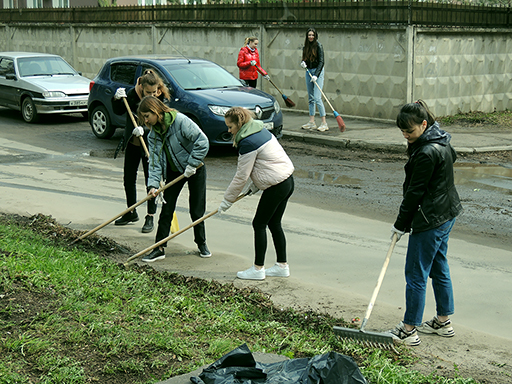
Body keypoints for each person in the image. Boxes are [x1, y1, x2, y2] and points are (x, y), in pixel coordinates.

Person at [388, 100, 463, 346]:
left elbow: (415, 193)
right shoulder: (441, 139)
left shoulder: (426, 152)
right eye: (402, 132)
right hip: (446, 214)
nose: (406, 136)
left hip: (430, 219)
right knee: (439, 265)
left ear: (423, 124)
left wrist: (401, 224)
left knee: (416, 273)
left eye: (409, 131)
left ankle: (409, 329)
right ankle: (443, 321)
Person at [218, 107, 294, 280]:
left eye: (230, 127)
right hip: (287, 181)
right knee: (274, 223)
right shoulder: (259, 130)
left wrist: (227, 200)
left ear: (239, 123)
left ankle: (258, 269)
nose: (229, 130)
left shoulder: (247, 142)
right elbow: (267, 163)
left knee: (259, 224)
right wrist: (256, 185)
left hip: (276, 186)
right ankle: (282, 266)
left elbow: (241, 176)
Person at [137, 95, 211, 262]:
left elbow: (202, 141)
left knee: (196, 209)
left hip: (195, 169)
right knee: (167, 208)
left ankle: (201, 243)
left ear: (155, 111)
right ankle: (159, 248)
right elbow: (155, 162)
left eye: (147, 116)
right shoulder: (153, 134)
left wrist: (192, 164)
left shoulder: (180, 121)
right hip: (174, 171)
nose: (146, 121)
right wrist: (153, 185)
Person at [112, 70, 171, 233]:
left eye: (154, 92)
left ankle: (150, 216)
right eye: (147, 92)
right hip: (133, 142)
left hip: (151, 145)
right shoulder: (131, 95)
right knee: (128, 178)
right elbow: (118, 110)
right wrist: (116, 98)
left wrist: (146, 129)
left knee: (150, 181)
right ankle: (131, 212)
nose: (151, 96)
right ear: (140, 87)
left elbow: (164, 121)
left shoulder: (160, 98)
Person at [300, 27, 328, 132]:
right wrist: (303, 63)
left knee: (317, 97)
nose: (311, 37)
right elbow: (305, 59)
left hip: (318, 72)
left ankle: (324, 123)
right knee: (311, 98)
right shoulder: (305, 47)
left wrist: (316, 75)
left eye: (312, 35)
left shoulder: (319, 46)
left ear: (315, 36)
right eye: (309, 35)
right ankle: (312, 122)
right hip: (308, 71)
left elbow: (321, 62)